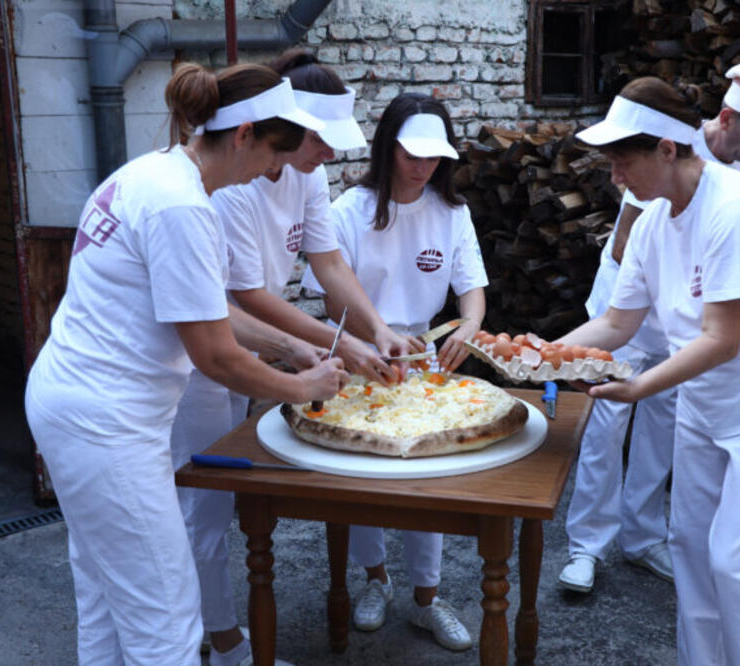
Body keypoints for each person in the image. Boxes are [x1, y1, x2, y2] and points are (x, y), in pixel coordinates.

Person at [24, 63, 349, 665]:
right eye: (274, 154)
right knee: (167, 618)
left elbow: (200, 315)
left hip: (75, 405)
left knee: (104, 591)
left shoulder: (156, 174)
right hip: (106, 424)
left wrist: (289, 346)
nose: (275, 171)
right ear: (245, 133)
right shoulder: (181, 207)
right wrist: (300, 386)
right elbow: (216, 355)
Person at [558, 76, 740, 664]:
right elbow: (614, 325)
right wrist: (537, 354)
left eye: (623, 162)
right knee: (693, 551)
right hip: (707, 405)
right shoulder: (655, 221)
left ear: (666, 149)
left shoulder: (736, 208)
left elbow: (722, 339)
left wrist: (637, 388)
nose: (615, 177)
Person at [169, 51, 415, 666]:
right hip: (205, 348)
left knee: (221, 497)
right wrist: (337, 345)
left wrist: (375, 329)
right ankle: (222, 641)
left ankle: (204, 628)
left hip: (244, 341)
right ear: (282, 128)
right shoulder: (232, 183)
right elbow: (247, 296)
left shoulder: (305, 173)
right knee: (203, 502)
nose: (330, 156)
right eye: (320, 142)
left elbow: (329, 264)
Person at [301, 92, 487, 652]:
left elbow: (471, 291)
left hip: (424, 359)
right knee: (364, 477)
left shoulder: (452, 212)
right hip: (362, 355)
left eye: (433, 157)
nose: (422, 167)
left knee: (424, 483)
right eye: (412, 155)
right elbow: (333, 302)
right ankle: (374, 579)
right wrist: (376, 335)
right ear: (388, 149)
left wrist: (469, 328)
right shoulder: (347, 211)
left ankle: (427, 596)